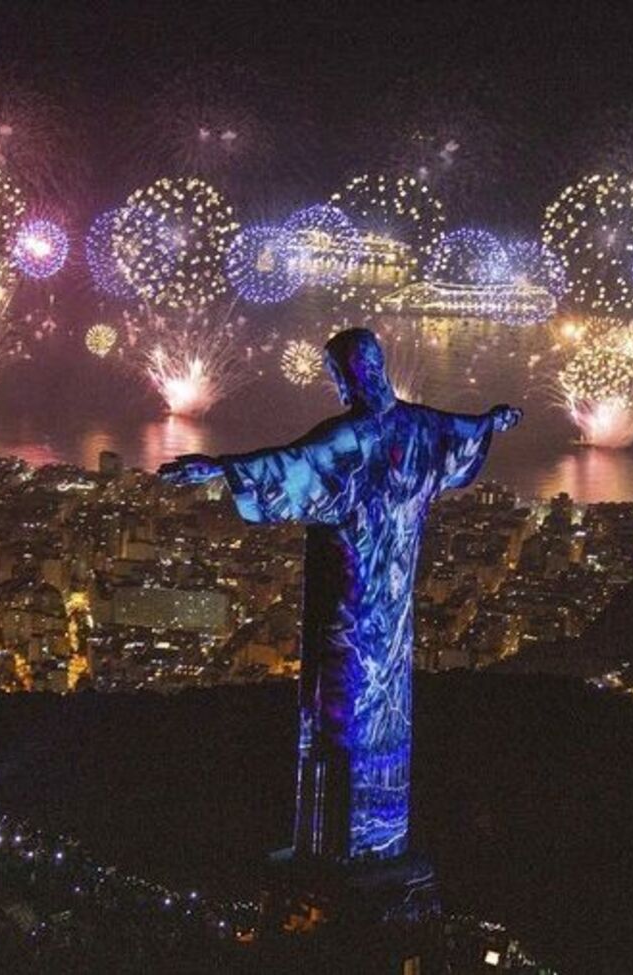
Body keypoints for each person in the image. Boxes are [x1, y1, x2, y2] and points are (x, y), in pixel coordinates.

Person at [159, 327, 522, 862]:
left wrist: (219, 468)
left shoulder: (347, 440)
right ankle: (382, 836)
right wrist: (494, 421)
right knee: (386, 705)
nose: (336, 385)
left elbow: (288, 466)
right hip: (395, 602)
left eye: (335, 374)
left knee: (338, 705)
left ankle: (337, 846)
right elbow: (464, 435)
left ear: (352, 373)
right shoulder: (422, 428)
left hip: (348, 598)